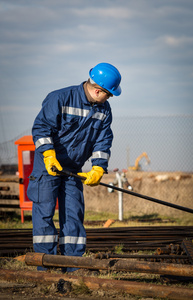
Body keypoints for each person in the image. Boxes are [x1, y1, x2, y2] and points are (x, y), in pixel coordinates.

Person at [27, 62, 122, 271]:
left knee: (73, 215)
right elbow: (41, 128)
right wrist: (49, 155)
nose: (110, 98)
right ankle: (46, 267)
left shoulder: (104, 110)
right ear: (98, 91)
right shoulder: (59, 98)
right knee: (44, 214)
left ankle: (74, 266)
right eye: (109, 94)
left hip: (73, 170)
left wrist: (99, 167)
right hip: (48, 166)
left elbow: (103, 141)